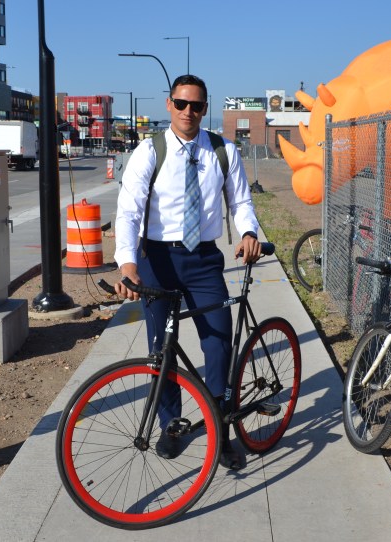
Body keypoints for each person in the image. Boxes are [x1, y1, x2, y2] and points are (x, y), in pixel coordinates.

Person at [114, 74, 261, 470]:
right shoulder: (150, 151)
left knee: (216, 344)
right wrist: (127, 263)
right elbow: (128, 210)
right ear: (169, 104)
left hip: (204, 261)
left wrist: (248, 231)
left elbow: (242, 201)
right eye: (181, 104)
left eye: (196, 105)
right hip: (157, 261)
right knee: (161, 352)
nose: (188, 112)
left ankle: (221, 429)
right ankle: (172, 425)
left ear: (205, 107)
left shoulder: (224, 150)